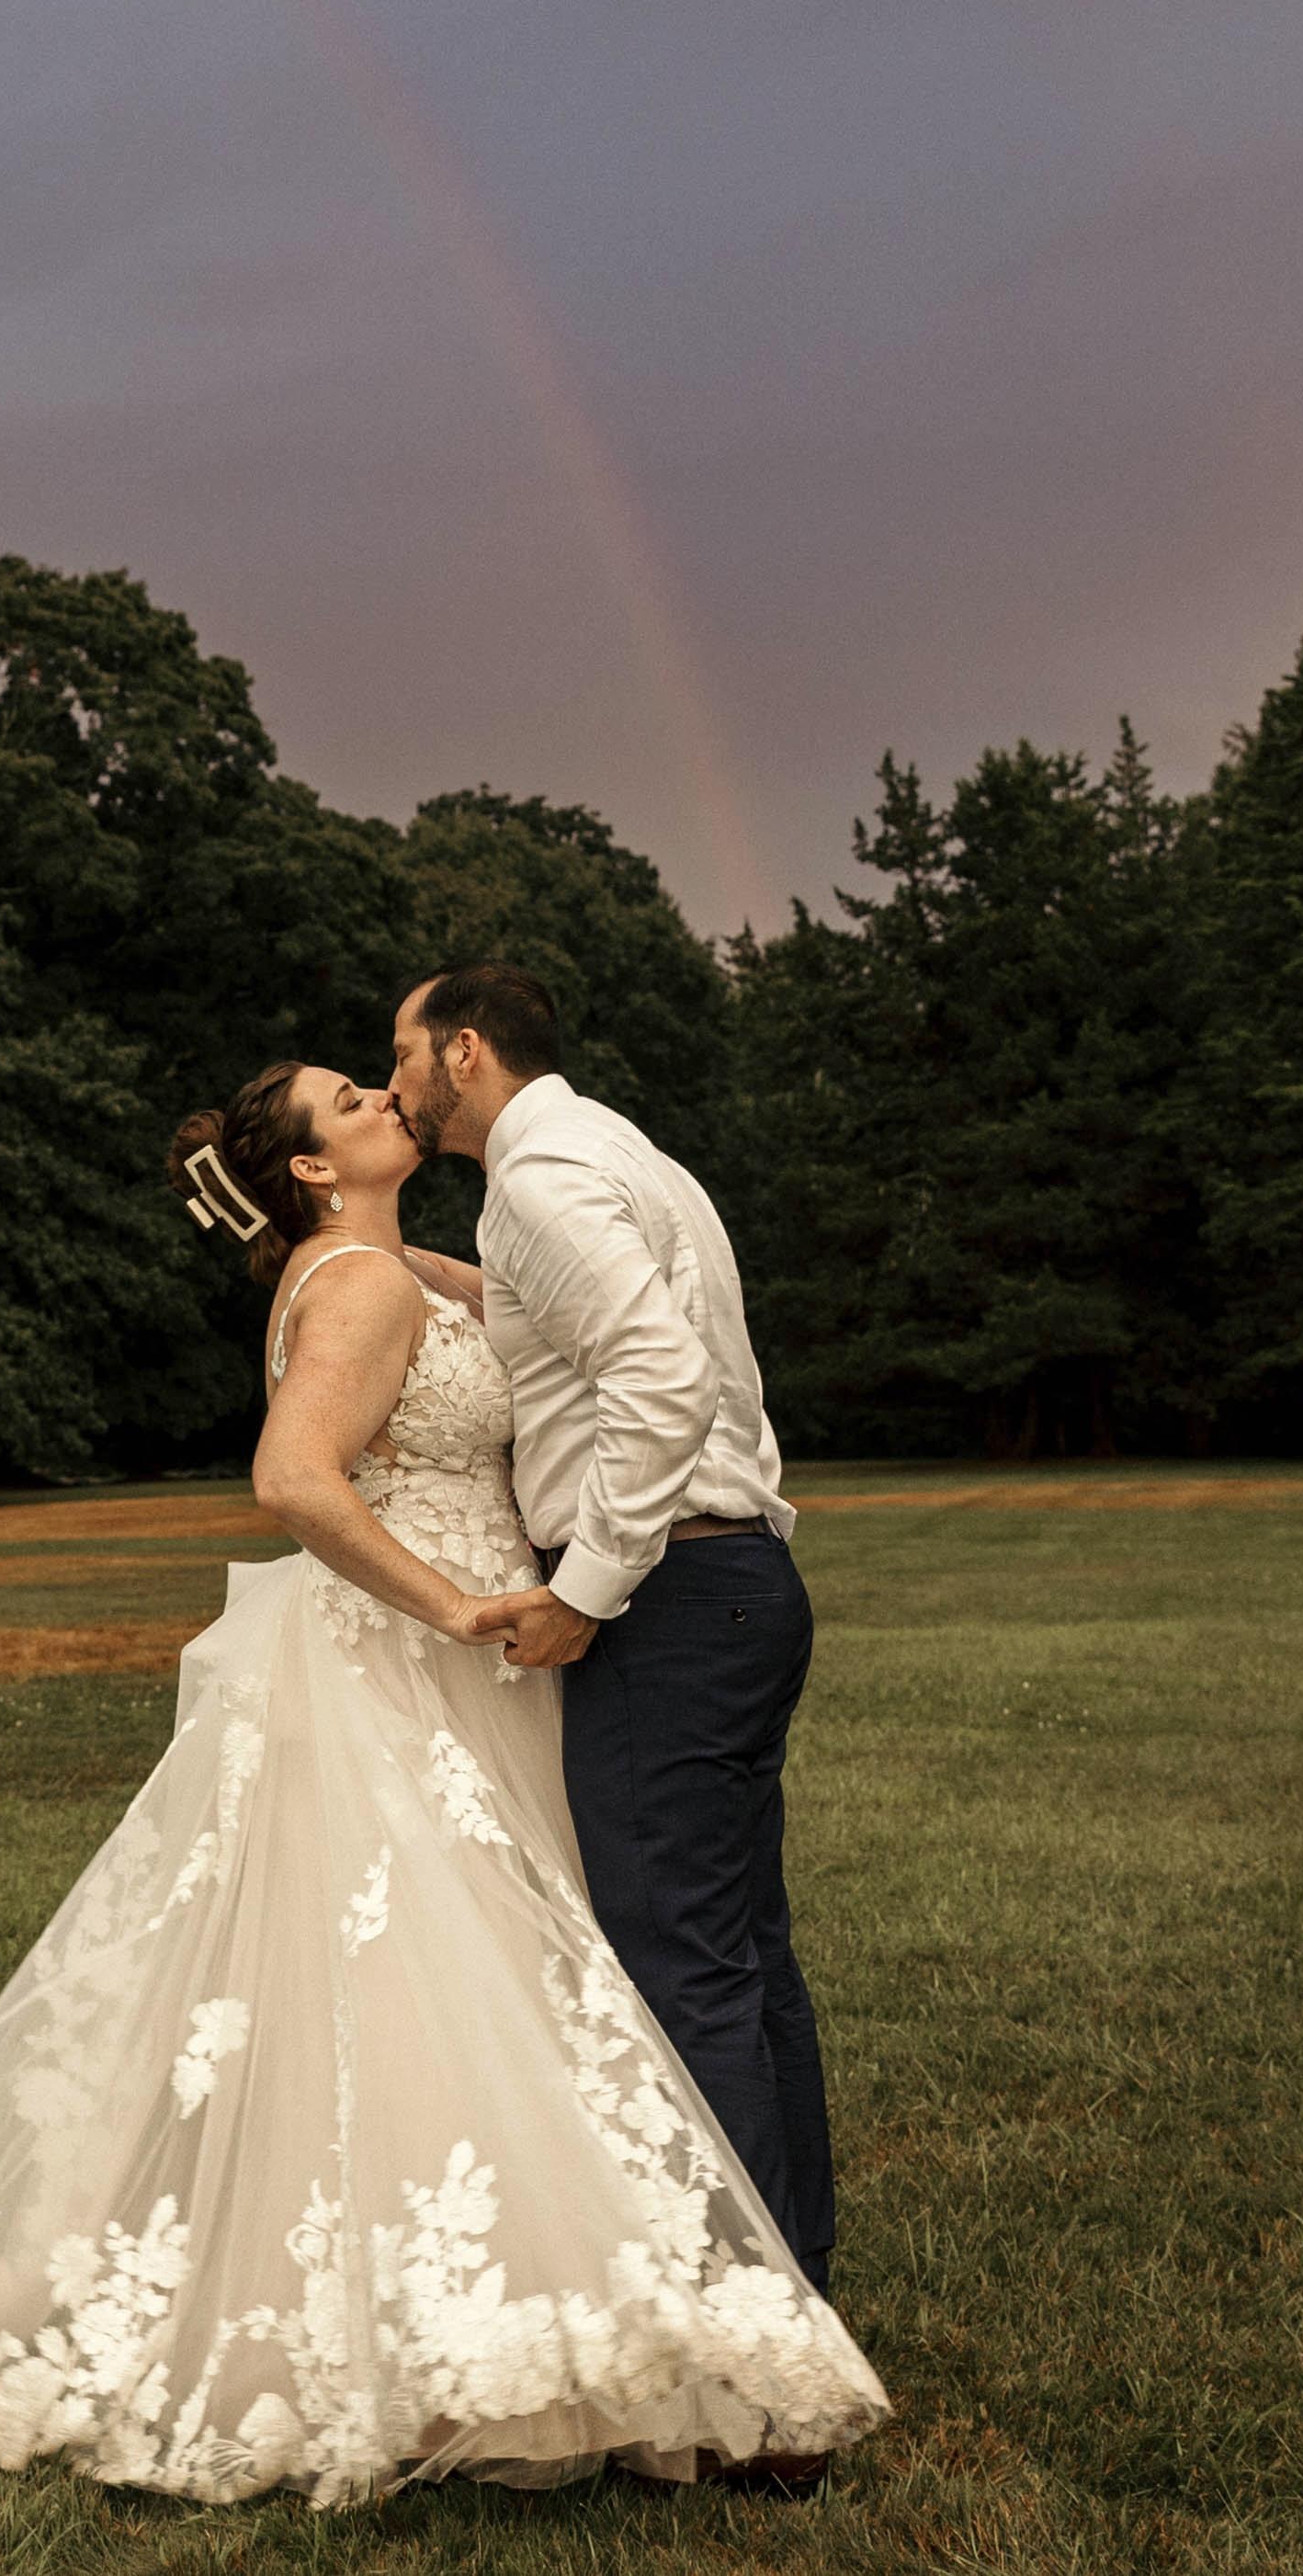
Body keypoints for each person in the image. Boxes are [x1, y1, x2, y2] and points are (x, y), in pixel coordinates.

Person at [0, 1059, 884, 2508]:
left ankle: (528, 2314)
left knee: (453, 1987)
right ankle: (484, 2337)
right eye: (351, 1101)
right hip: (423, 1653)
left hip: (469, 1654)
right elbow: (295, 1479)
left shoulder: (386, 1269)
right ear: (313, 1167)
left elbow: (525, 1314)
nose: (383, 1098)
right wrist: (452, 1605)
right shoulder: (359, 1286)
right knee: (448, 1979)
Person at [389, 962, 839, 2380]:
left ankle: (757, 2380)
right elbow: (567, 1325)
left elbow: (659, 1373)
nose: (393, 1084)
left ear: (464, 1053)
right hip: (738, 1587)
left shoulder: (540, 1180)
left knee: (685, 1979)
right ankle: (799, 2307)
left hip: (669, 1605)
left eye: (400, 1055)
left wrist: (588, 1587)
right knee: (746, 1962)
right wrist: (410, 1265)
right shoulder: (610, 1152)